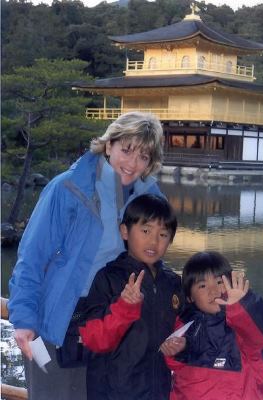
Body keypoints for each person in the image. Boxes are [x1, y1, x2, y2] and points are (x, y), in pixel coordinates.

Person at [7, 111, 165, 400]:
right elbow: (31, 257)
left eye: (143, 156)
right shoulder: (68, 188)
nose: (132, 163)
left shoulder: (152, 202)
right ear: (109, 145)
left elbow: (156, 267)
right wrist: (24, 319)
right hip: (61, 321)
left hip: (118, 323)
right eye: (126, 150)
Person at [79, 194, 182, 400]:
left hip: (158, 390)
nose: (153, 240)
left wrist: (181, 344)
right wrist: (125, 307)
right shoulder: (109, 278)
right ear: (125, 231)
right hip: (113, 392)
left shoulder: (172, 283)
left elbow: (184, 326)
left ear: (170, 240)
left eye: (163, 235)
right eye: (145, 231)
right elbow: (94, 340)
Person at [160, 251, 263, 400]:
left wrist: (242, 303)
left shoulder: (242, 323)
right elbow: (175, 366)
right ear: (190, 297)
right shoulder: (184, 324)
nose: (214, 290)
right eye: (203, 286)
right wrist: (177, 350)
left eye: (219, 282)